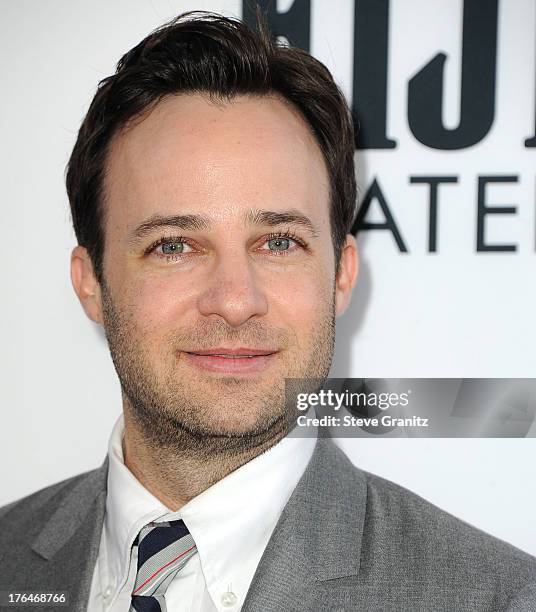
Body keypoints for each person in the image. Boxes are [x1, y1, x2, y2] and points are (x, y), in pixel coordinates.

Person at [0, 9, 535, 612]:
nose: (234, 301)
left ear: (341, 275)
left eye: (280, 242)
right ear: (91, 282)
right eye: (174, 245)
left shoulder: (500, 598)